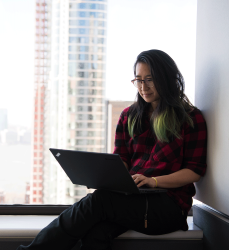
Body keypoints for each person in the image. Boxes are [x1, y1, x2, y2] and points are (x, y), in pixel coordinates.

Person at [17, 49, 207, 250]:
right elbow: (122, 159)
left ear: (166, 78)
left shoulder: (190, 118)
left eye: (150, 79)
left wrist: (154, 181)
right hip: (133, 199)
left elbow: (194, 172)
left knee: (99, 201)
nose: (143, 87)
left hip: (168, 206)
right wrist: (106, 176)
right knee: (96, 233)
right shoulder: (129, 116)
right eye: (138, 80)